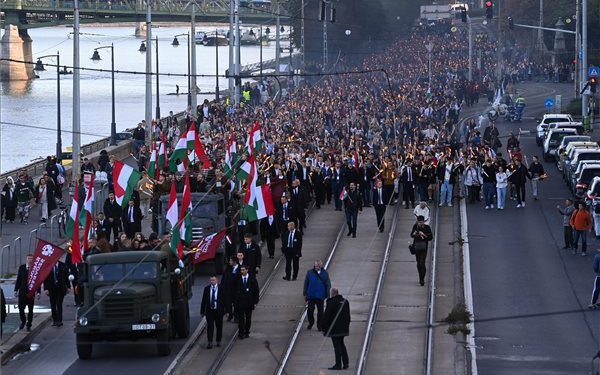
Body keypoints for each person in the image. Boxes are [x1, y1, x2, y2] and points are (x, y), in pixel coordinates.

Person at [322, 287, 350, 371]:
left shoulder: (331, 302)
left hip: (334, 328)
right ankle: (346, 363)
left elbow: (327, 316)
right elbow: (348, 315)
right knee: (342, 344)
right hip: (343, 327)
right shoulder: (345, 301)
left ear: (332, 294)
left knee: (337, 346)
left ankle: (338, 364)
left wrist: (324, 328)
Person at [14, 254, 41, 331]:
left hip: (31, 292)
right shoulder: (22, 268)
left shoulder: (35, 268)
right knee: (21, 308)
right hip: (22, 291)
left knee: (30, 309)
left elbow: (37, 281)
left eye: (31, 258)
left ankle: (29, 323)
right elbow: (19, 279)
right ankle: (23, 321)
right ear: (26, 259)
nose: (30, 260)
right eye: (29, 258)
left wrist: (38, 292)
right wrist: (16, 290)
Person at [303, 260, 331, 331]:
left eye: (318, 266)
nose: (316, 267)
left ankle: (319, 325)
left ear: (321, 266)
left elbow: (328, 285)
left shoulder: (325, 273)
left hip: (320, 296)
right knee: (310, 310)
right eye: (315, 266)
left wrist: (328, 295)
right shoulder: (309, 272)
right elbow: (306, 283)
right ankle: (311, 322)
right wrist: (305, 293)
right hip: (311, 295)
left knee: (320, 312)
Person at [234, 264, 259, 339]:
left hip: (249, 302)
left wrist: (255, 302)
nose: (242, 271)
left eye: (243, 270)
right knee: (241, 319)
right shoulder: (237, 279)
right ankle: (241, 332)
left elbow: (256, 291)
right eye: (241, 270)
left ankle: (247, 331)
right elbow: (234, 291)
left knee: (248, 318)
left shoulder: (252, 279)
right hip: (240, 303)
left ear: (247, 270)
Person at [43, 260, 71, 326]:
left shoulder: (63, 265)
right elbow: (45, 278)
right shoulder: (48, 265)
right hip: (51, 288)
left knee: (59, 304)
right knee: (53, 305)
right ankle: (54, 320)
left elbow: (66, 277)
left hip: (60, 289)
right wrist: (46, 288)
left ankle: (59, 320)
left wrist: (68, 287)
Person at [200, 274, 225, 348]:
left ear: (216, 280)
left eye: (213, 280)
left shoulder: (221, 288)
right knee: (210, 327)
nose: (212, 281)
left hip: (218, 310)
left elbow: (225, 300)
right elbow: (204, 301)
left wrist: (227, 310)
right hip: (210, 311)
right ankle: (210, 342)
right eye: (211, 280)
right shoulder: (207, 289)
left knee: (219, 326)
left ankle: (218, 341)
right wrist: (202, 311)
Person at [410, 215, 433, 286]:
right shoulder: (415, 227)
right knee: (418, 263)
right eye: (419, 222)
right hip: (417, 247)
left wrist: (424, 235)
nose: (420, 223)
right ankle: (420, 276)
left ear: (424, 221)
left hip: (424, 247)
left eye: (421, 222)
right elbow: (411, 235)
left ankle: (422, 279)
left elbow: (430, 237)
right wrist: (415, 233)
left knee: (422, 263)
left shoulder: (427, 227)